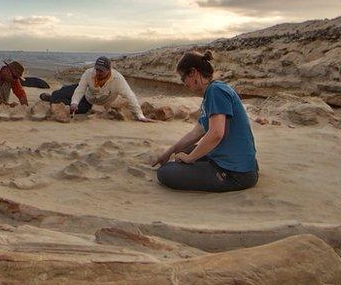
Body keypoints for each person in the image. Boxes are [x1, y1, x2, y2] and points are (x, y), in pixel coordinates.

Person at [152, 51, 258, 192]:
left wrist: (190, 159)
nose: (184, 84)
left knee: (165, 173)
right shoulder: (213, 91)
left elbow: (216, 134)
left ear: (193, 73)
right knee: (180, 152)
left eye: (183, 79)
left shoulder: (216, 91)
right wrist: (169, 152)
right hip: (233, 161)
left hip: (235, 173)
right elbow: (197, 132)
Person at [40, 56, 153, 122]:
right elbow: (80, 90)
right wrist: (74, 102)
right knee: (58, 94)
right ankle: (51, 97)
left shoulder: (117, 79)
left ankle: (52, 100)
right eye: (97, 69)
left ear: (108, 70)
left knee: (75, 108)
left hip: (92, 103)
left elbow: (130, 95)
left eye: (101, 70)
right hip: (85, 92)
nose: (98, 72)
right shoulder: (89, 73)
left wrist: (140, 115)